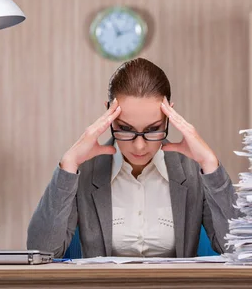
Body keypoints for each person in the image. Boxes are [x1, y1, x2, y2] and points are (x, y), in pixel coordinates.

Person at [27, 58, 238, 258]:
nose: (139, 145)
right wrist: (69, 164)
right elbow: (43, 251)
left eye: (153, 129)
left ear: (168, 118)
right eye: (125, 129)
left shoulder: (193, 170)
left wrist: (210, 164)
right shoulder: (83, 171)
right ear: (108, 115)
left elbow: (237, 248)